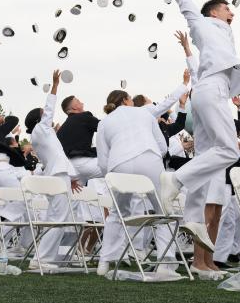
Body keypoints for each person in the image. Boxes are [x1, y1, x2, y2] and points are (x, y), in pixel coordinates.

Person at [145, 0, 240, 251]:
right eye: (228, 7)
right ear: (214, 11)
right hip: (211, 90)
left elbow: (236, 65)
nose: (233, 12)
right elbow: (186, 2)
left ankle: (193, 219)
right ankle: (176, 179)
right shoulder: (203, 24)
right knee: (229, 150)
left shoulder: (226, 40)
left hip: (211, 91)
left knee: (206, 157)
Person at [95, 88, 177, 276]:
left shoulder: (104, 122)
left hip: (119, 163)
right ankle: (166, 263)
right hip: (150, 158)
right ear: (126, 100)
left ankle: (104, 262)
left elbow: (102, 161)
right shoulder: (144, 112)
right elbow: (163, 146)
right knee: (162, 212)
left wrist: (112, 176)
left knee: (117, 213)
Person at [24, 69, 81, 270]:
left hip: (59, 174)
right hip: (57, 176)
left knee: (55, 217)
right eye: (43, 115)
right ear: (38, 120)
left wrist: (71, 177)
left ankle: (47, 257)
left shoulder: (43, 134)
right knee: (59, 217)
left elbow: (57, 156)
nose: (47, 116)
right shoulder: (41, 129)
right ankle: (42, 260)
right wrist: (55, 85)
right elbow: (50, 107)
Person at [57, 92, 101, 187]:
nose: (82, 102)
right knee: (117, 167)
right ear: (74, 108)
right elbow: (106, 127)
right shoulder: (84, 117)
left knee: (78, 198)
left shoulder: (62, 129)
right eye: (78, 101)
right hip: (85, 162)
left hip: (69, 167)